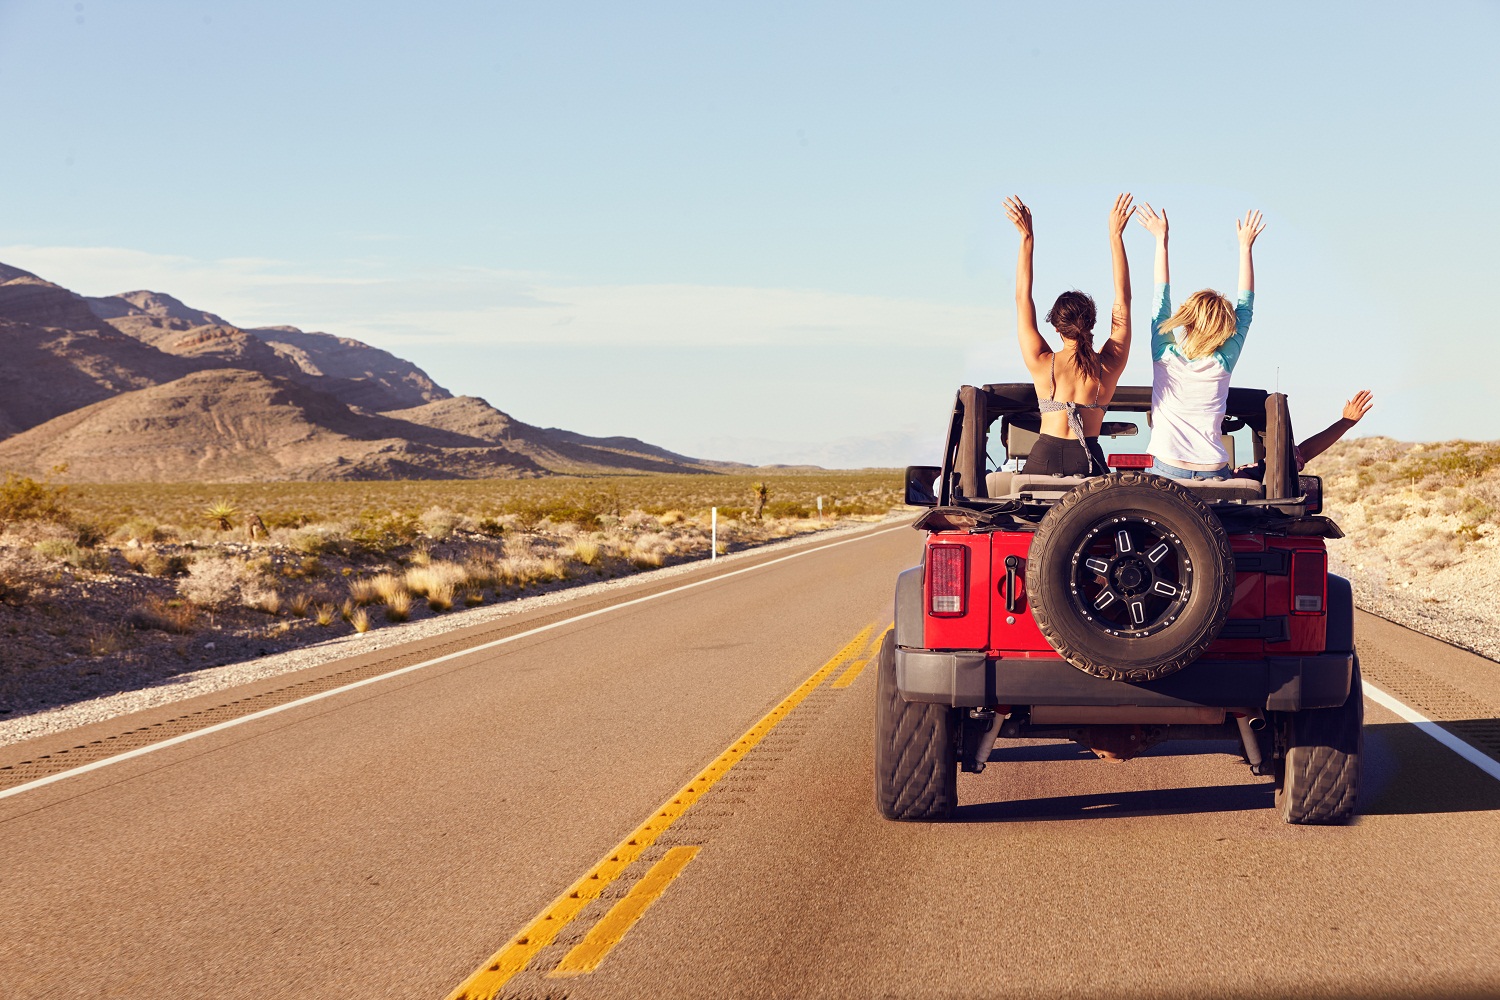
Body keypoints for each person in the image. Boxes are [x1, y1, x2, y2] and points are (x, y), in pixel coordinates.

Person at [1003, 193, 1136, 476]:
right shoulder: (1108, 364)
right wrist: (1115, 236)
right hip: (1088, 459)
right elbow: (1123, 300)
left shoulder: (1041, 361)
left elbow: (1021, 298)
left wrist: (1027, 238)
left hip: (1044, 457)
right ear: (1092, 323)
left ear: (1055, 327)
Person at [1136, 203, 1265, 480]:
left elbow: (1160, 300)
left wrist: (1161, 241)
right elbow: (1246, 308)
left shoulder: (1164, 355)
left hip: (1168, 470)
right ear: (1224, 328)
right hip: (1214, 472)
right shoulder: (1223, 361)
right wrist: (1246, 248)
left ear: (1188, 318)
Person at [1234, 389, 1375, 480]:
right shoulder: (1243, 476)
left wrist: (1345, 423)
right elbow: (1294, 458)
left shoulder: (1239, 476)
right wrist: (1345, 423)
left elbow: (1295, 457)